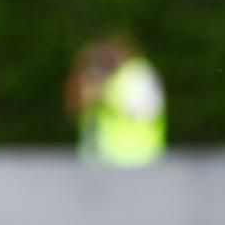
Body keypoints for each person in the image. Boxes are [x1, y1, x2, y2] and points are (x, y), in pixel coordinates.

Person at [65, 36, 166, 167]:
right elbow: (74, 109)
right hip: (99, 162)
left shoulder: (135, 74)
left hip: (137, 159)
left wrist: (105, 96)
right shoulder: (96, 79)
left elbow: (144, 110)